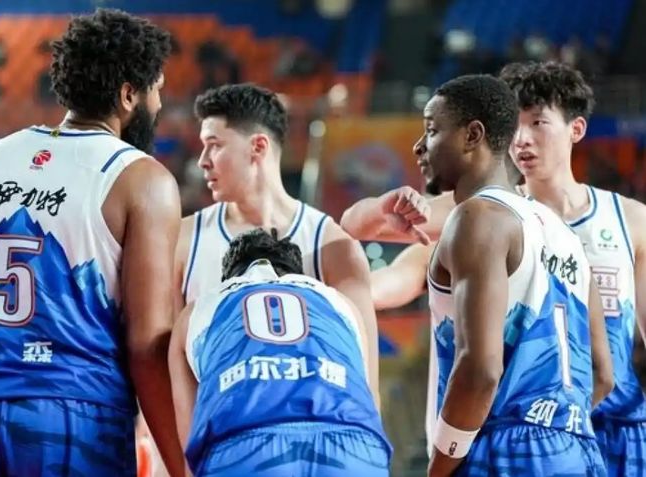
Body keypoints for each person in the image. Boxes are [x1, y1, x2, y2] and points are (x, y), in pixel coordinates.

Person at [0, 9, 184, 476]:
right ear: (129, 95)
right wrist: (180, 463)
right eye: (156, 90)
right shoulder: (141, 178)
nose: (158, 104)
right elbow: (147, 346)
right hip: (73, 414)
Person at [413, 74, 613, 476]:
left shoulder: (477, 217)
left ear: (473, 135)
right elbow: (602, 375)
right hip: (579, 448)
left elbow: (481, 369)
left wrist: (441, 464)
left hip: (504, 444)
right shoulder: (566, 235)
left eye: (432, 130)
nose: (420, 145)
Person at [175, 83, 379, 399]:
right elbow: (165, 367)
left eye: (214, 145)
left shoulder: (332, 245)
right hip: (219, 423)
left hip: (309, 420)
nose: (203, 160)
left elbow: (364, 382)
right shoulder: (183, 240)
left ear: (258, 147)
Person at [499, 60, 646, 477]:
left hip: (619, 427)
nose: (522, 139)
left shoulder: (631, 219)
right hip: (539, 429)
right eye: (513, 126)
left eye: (537, 122)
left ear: (576, 129)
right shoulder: (495, 217)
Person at [169, 228, 391, 477]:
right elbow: (370, 399)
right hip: (354, 443)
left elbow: (189, 442)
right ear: (298, 274)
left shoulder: (198, 311)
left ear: (228, 278)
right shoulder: (341, 304)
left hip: (244, 445)